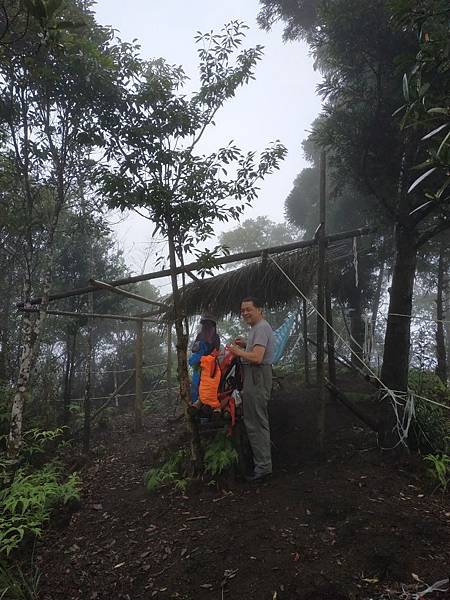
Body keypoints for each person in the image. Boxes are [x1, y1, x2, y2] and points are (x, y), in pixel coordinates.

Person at [228, 297, 275, 482]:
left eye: (249, 309)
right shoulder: (257, 329)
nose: (245, 313)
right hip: (255, 376)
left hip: (257, 376)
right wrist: (245, 343)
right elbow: (256, 349)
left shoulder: (262, 327)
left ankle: (263, 468)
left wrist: (238, 352)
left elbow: (256, 357)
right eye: (242, 310)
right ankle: (262, 464)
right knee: (254, 419)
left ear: (259, 310)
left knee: (256, 422)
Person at [188, 314, 221, 408]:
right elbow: (194, 350)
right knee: (196, 385)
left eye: (209, 324)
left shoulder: (216, 337)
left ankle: (209, 407)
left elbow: (216, 351)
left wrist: (208, 359)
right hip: (199, 366)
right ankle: (196, 405)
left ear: (213, 326)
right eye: (205, 324)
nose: (207, 326)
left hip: (210, 366)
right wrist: (199, 349)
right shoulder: (199, 336)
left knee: (210, 387)